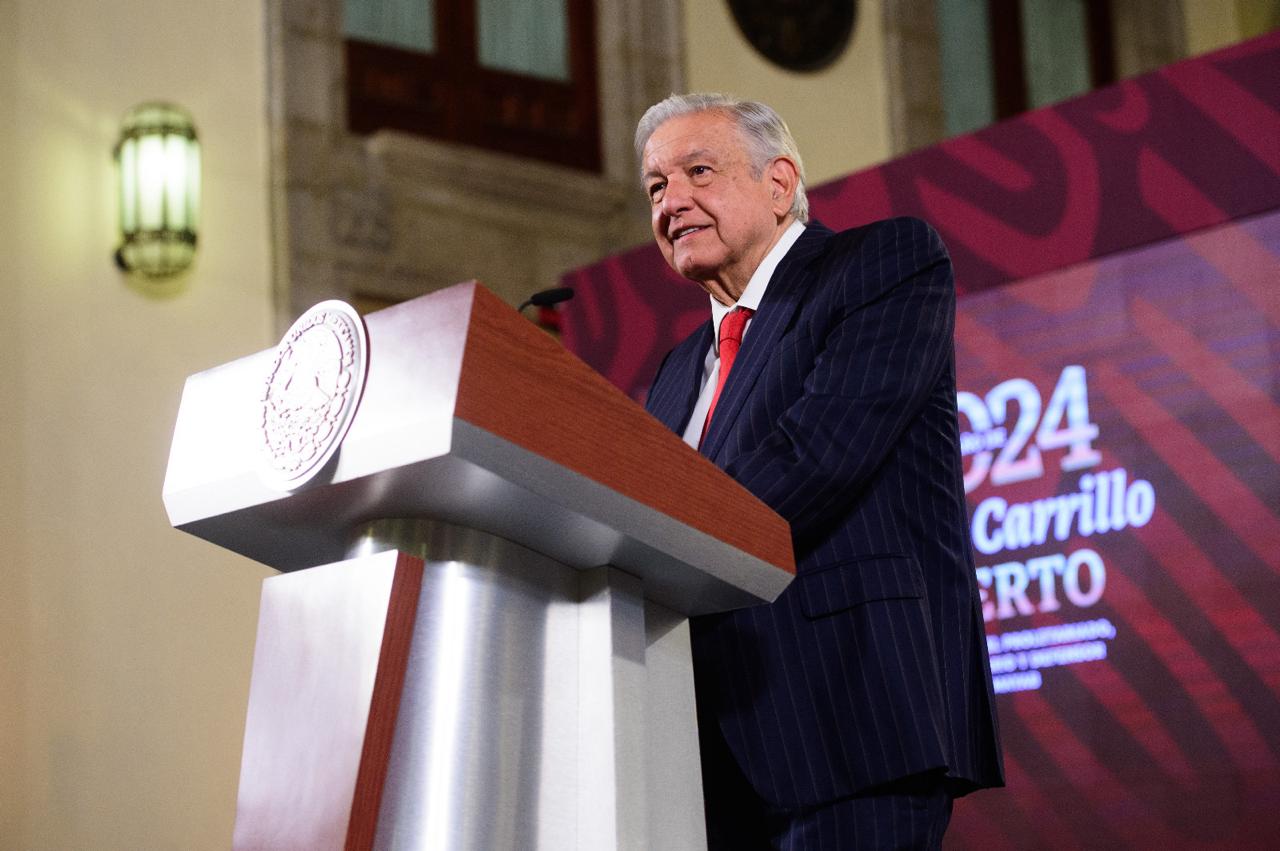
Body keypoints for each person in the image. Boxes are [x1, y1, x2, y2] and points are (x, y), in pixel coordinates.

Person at [638, 93, 1004, 849]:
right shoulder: (676, 370)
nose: (672, 202)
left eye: (697, 172)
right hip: (703, 752)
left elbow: (819, 455)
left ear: (779, 184)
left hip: (852, 720)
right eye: (655, 187)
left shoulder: (882, 266)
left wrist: (645, 544)